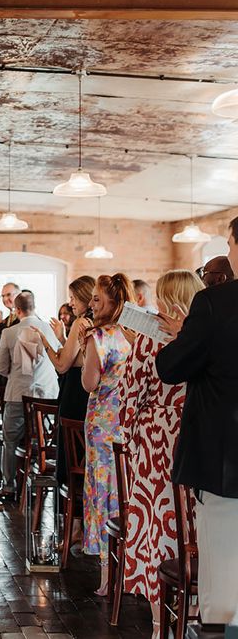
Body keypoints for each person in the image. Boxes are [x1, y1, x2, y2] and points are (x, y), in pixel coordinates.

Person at [156, 216, 238, 626]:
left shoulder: (214, 303)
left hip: (225, 461)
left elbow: (171, 367)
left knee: (223, 582)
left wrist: (181, 337)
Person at [119, 270, 203, 637]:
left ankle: (159, 624)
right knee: (192, 529)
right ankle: (197, 614)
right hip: (198, 438)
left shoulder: (148, 340)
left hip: (156, 443)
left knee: (157, 530)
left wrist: (137, 425)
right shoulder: (205, 337)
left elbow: (127, 398)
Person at [80, 273, 134, 596]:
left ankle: (106, 575)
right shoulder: (132, 336)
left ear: (113, 304)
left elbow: (88, 383)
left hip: (101, 425)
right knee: (123, 494)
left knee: (102, 493)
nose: (91, 303)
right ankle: (129, 569)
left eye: (97, 299)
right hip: (126, 425)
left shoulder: (97, 337)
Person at [0, 291, 60, 499]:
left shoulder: (9, 332)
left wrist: (18, 372)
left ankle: (9, 486)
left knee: (10, 440)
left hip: (18, 394)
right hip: (48, 397)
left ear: (17, 310)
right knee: (42, 439)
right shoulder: (49, 330)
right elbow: (60, 360)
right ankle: (36, 479)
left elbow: (2, 369)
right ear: (34, 306)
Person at [36, 276, 95, 487]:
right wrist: (62, 339)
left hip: (75, 392)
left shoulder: (81, 322)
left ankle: (70, 507)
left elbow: (62, 365)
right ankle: (78, 508)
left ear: (85, 297)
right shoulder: (97, 321)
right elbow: (78, 357)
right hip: (88, 392)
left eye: (73, 297)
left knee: (71, 450)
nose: (70, 303)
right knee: (83, 450)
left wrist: (45, 343)